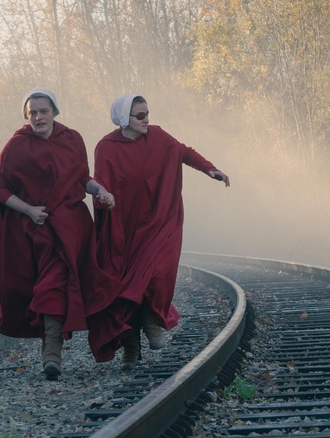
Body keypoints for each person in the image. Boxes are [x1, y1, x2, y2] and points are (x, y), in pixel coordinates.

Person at [0, 87, 120, 380]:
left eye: (44, 111)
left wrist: (102, 191)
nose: (39, 117)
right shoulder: (17, 146)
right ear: (26, 116)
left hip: (72, 228)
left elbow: (82, 179)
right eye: (33, 113)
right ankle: (52, 350)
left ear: (55, 112)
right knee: (47, 285)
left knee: (58, 283)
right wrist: (28, 209)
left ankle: (52, 352)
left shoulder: (72, 139)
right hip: (35, 232)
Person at [90, 94, 230, 370]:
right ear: (122, 119)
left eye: (147, 113)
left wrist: (210, 169)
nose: (146, 119)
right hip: (124, 228)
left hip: (158, 221)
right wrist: (103, 196)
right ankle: (131, 348)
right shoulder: (106, 147)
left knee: (156, 271)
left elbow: (184, 152)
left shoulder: (158, 137)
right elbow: (101, 183)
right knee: (125, 287)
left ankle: (153, 321)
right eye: (140, 115)